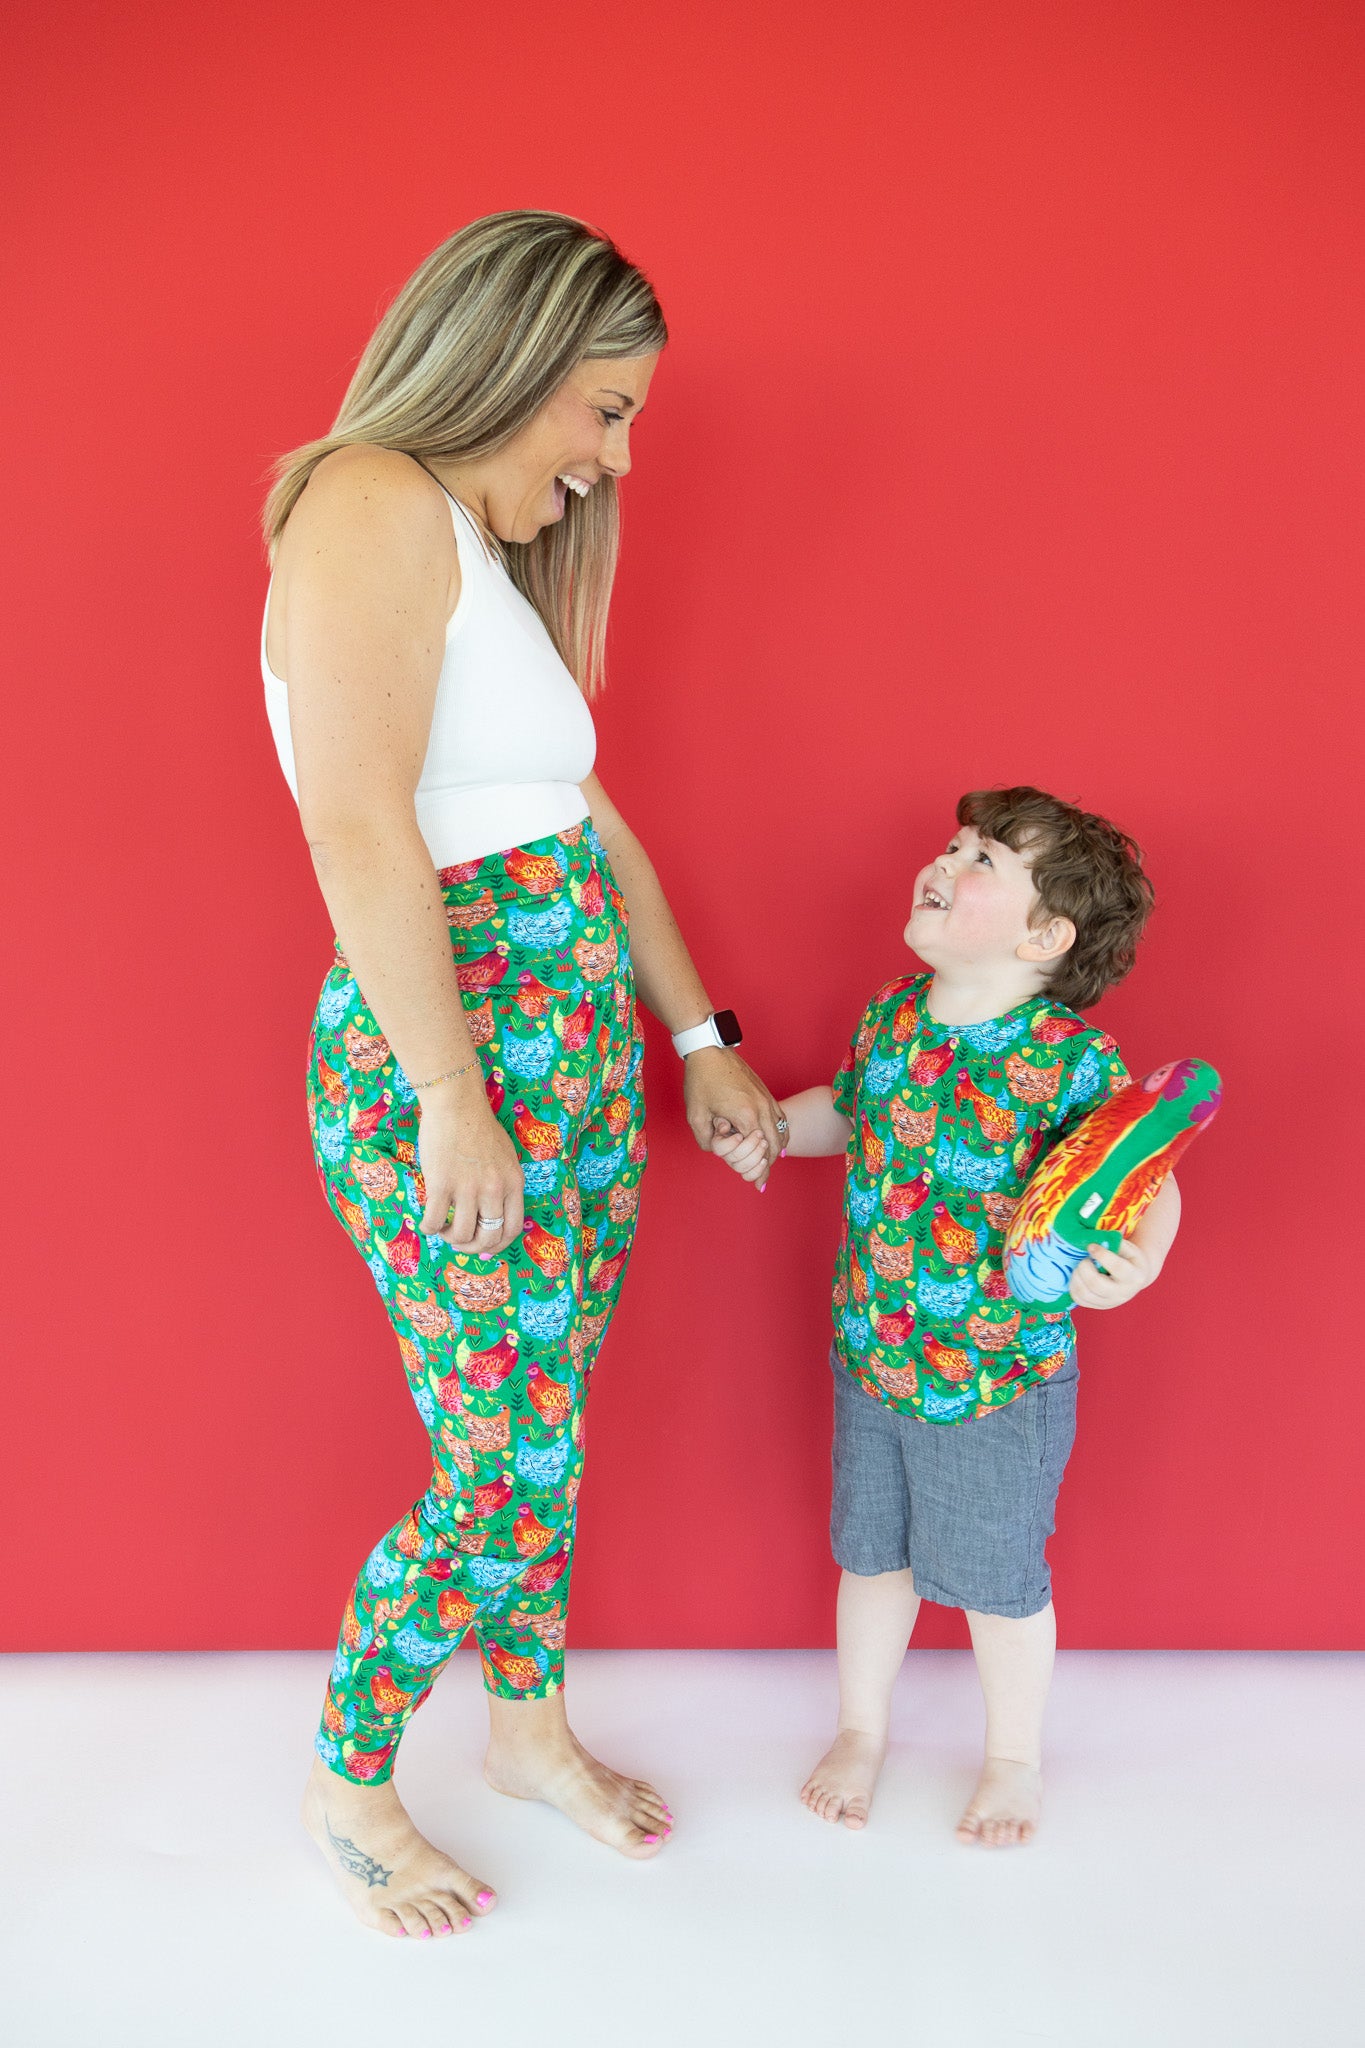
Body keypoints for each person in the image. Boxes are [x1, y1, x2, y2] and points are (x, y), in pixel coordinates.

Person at [261, 210, 784, 1938]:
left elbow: (594, 832)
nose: (613, 459)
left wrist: (699, 1041)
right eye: (605, 410)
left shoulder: (483, 570)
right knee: (493, 1460)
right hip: (462, 1065)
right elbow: (353, 820)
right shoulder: (363, 503)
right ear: (510, 360)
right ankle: (351, 1782)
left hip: (571, 1071)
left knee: (540, 1436)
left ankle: (528, 1731)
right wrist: (449, 1093)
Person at [712, 786, 1181, 1846]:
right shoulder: (891, 1013)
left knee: (997, 1579)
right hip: (873, 1356)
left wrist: (1139, 1260)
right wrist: (774, 1130)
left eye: (985, 860)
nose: (947, 857)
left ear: (1043, 934)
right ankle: (861, 1727)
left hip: (995, 1379)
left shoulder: (1070, 1060)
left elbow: (1147, 1171)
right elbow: (850, 1104)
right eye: (956, 841)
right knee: (870, 1555)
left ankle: (1013, 1753)